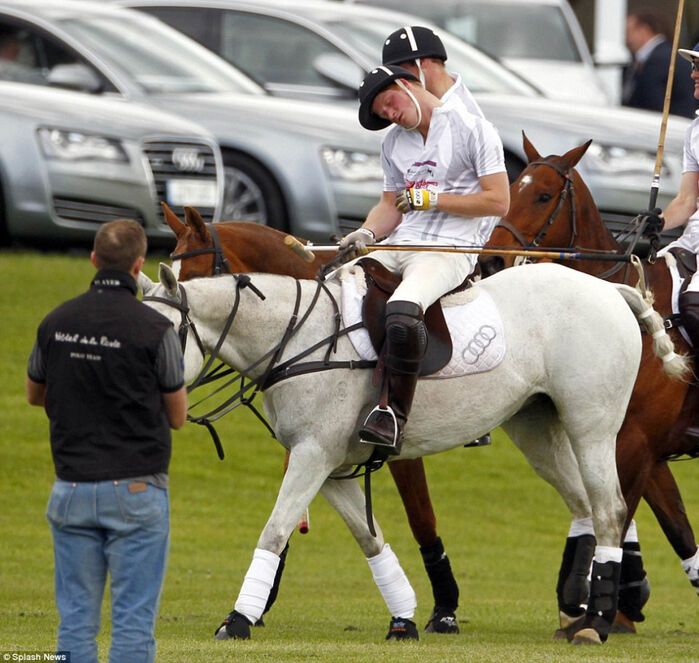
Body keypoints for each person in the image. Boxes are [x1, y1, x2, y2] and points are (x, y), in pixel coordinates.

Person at [26, 219, 188, 663]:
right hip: (137, 489)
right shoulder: (154, 330)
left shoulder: (56, 322)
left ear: (94, 260)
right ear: (138, 266)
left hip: (71, 488)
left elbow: (34, 394)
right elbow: (178, 416)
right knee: (133, 625)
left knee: (75, 622)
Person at [340, 64, 509, 454]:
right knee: (336, 288)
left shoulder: (474, 129)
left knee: (401, 308)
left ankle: (392, 414)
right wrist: (366, 233)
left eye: (390, 103)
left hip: (449, 249)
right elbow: (389, 206)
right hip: (400, 244)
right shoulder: (394, 144)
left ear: (407, 84)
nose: (391, 115)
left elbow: (499, 200)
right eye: (383, 114)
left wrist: (432, 199)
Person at [640, 42, 699, 442]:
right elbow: (687, 201)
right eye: (693, 66)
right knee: (648, 288)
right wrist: (655, 222)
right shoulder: (697, 126)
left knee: (693, 302)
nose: (693, 74)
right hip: (696, 234)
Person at [381, 25, 484, 119]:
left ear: (421, 62)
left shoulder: (466, 116)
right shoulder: (410, 110)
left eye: (401, 71)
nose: (399, 82)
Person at [622, 9, 696, 118]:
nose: (625, 38)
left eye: (628, 31)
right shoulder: (660, 55)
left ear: (644, 29)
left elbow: (652, 103)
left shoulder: (659, 59)